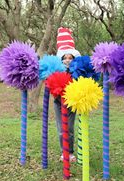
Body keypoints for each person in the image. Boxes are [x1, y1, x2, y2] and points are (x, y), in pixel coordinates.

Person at [54, 27, 80, 162]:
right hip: (58, 102)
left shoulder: (78, 70)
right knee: (61, 129)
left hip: (71, 102)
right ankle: (63, 152)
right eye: (65, 58)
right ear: (61, 58)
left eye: (70, 58)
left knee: (69, 128)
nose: (68, 60)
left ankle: (70, 152)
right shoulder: (56, 69)